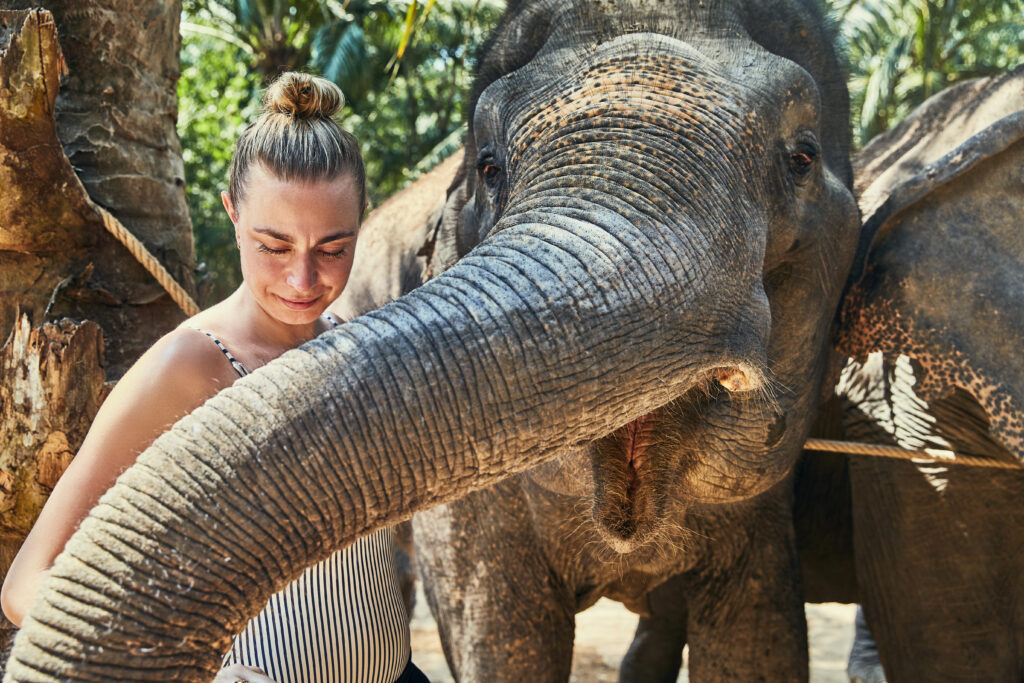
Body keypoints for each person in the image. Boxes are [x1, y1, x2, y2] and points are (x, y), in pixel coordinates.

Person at [1, 72, 428, 683]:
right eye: (274, 247)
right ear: (232, 213)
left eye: (332, 249)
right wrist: (178, 665)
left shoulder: (354, 337)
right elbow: (26, 586)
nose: (303, 281)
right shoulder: (184, 368)